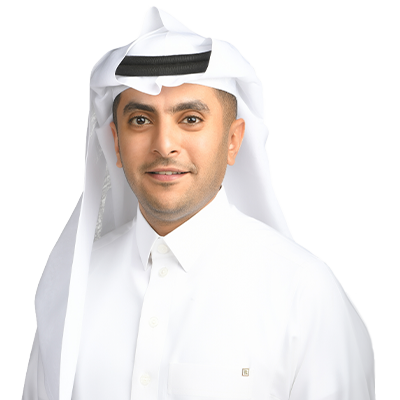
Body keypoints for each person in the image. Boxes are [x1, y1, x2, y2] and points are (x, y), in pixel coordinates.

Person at [22, 6, 376, 400]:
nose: (164, 145)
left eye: (190, 119)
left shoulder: (305, 293)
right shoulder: (73, 289)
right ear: (116, 143)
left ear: (233, 140)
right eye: (141, 120)